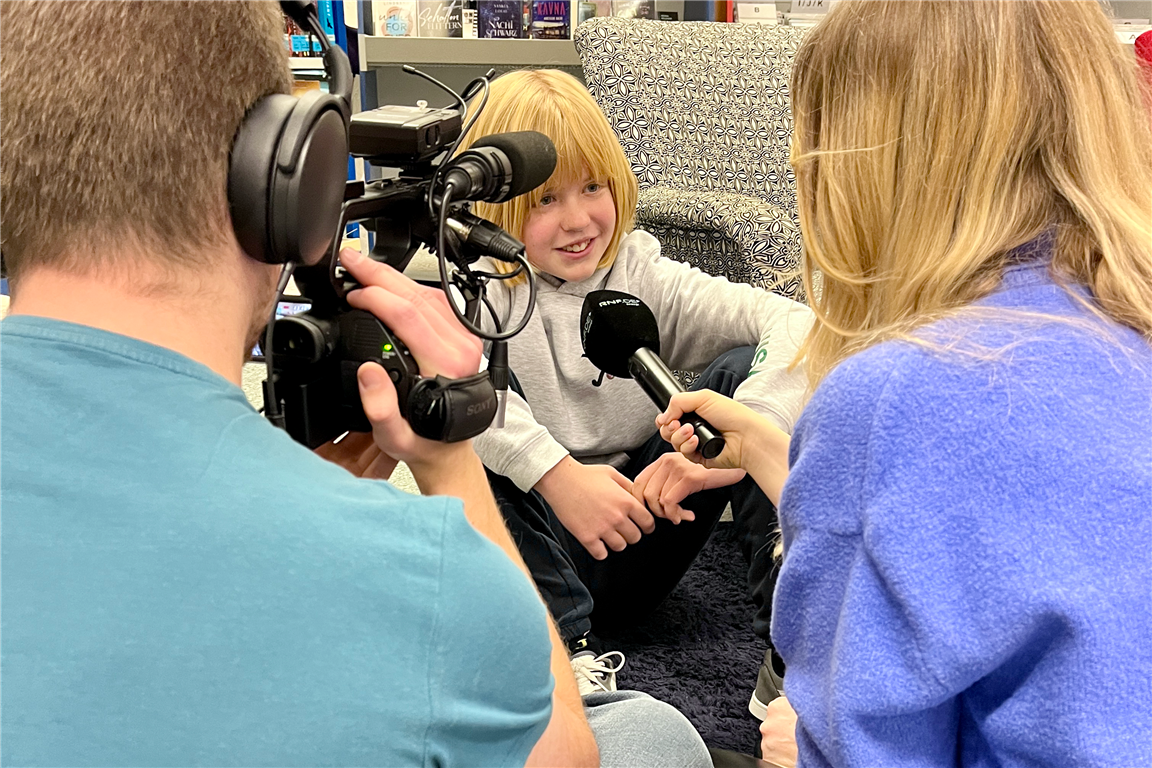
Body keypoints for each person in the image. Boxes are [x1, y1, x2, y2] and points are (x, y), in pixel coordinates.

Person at [0, 2, 713, 765]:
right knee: (652, 735)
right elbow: (563, 751)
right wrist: (451, 460)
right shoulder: (413, 573)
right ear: (289, 182)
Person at [655, 0, 1152, 765]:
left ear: (858, 169)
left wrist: (807, 738)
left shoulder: (895, 396)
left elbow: (867, 743)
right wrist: (764, 443)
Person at [458, 68, 814, 705]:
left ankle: (792, 658)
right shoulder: (473, 286)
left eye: (593, 187)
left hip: (642, 528)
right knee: (467, 422)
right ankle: (568, 661)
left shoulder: (638, 268)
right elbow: (450, 385)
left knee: (740, 378)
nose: (579, 220)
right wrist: (557, 476)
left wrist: (745, 442)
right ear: (495, 205)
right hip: (535, 561)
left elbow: (796, 322)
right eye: (545, 200)